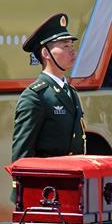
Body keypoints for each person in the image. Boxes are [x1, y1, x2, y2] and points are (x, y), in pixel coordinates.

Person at [12, 13, 85, 161]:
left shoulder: (71, 92)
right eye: (65, 46)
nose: (72, 50)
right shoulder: (35, 96)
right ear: (46, 53)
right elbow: (21, 158)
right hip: (49, 183)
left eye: (72, 45)